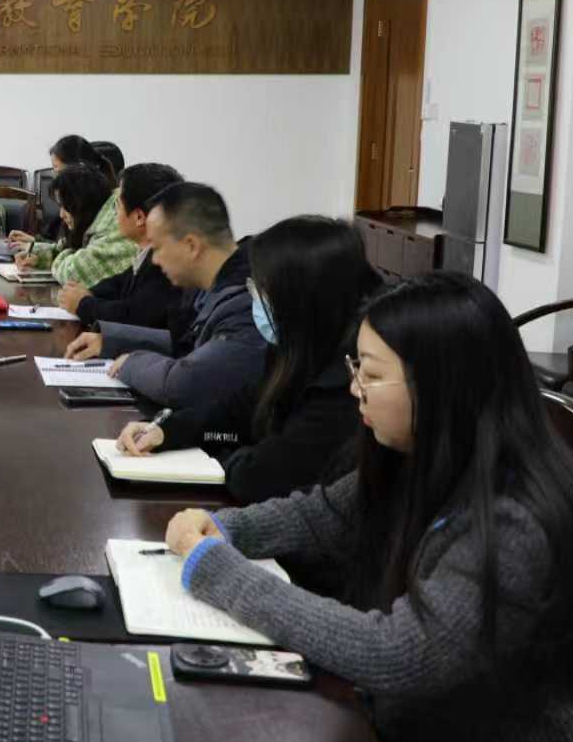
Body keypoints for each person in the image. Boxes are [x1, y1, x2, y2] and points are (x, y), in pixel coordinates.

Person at [163, 273, 573, 742]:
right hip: (461, 731)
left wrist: (219, 570)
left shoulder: (515, 520)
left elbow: (396, 653)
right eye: (356, 367)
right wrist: (226, 527)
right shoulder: (427, 453)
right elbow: (321, 515)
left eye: (371, 374)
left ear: (440, 386)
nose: (354, 388)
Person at [116, 216, 384, 503]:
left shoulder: (345, 386)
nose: (254, 298)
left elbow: (258, 478)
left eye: (262, 289)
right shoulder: (293, 350)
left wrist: (224, 455)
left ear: (299, 299)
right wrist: (166, 431)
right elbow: (238, 411)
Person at [67, 181, 265, 422]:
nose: (155, 260)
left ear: (191, 245)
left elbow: (188, 382)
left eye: (157, 247)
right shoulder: (207, 287)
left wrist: (132, 363)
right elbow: (185, 345)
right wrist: (111, 341)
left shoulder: (247, 299)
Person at [57, 162, 183, 328]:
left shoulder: (167, 264)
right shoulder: (148, 253)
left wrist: (83, 304)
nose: (114, 213)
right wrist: (86, 293)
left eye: (117, 204)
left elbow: (133, 316)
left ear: (139, 217)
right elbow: (119, 284)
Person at [17, 162, 135, 285]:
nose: (61, 215)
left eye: (64, 207)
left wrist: (68, 254)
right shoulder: (98, 217)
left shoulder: (114, 223)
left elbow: (72, 273)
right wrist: (38, 256)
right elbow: (64, 248)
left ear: (81, 204)